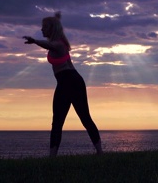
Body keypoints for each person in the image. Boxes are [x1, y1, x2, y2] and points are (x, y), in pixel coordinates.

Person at [23, 12, 102, 157]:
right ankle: (52, 156)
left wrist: (35, 41)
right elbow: (51, 40)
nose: (41, 30)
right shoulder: (60, 41)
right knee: (57, 121)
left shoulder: (59, 45)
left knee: (84, 117)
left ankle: (100, 152)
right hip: (64, 82)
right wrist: (57, 19)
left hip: (72, 81)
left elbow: (49, 45)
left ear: (51, 29)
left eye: (44, 27)